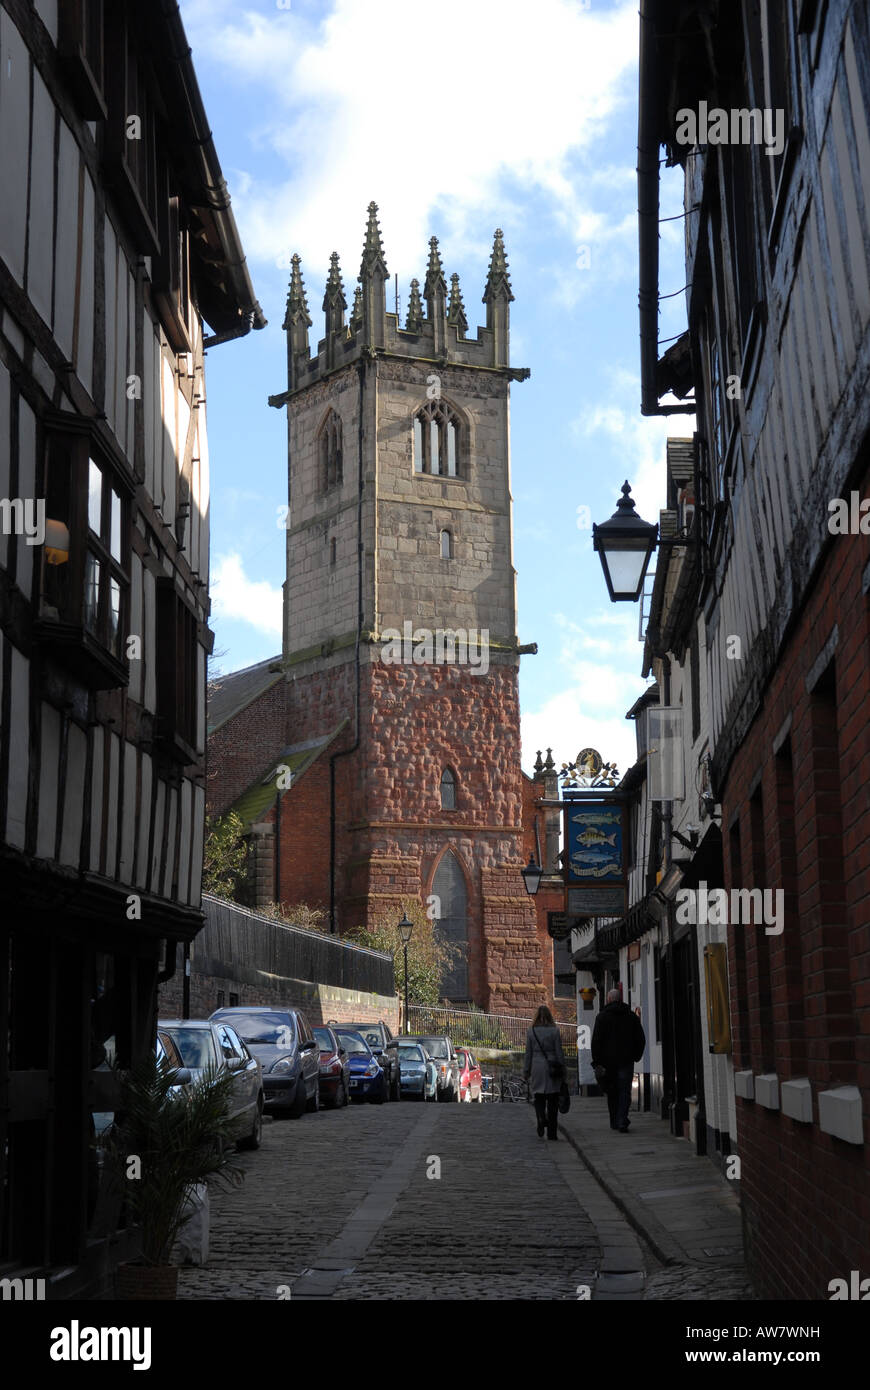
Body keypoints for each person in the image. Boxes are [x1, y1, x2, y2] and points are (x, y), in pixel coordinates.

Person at [591, 988, 645, 1133]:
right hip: (626, 1060)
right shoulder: (631, 1016)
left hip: (608, 1062)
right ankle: (622, 1119)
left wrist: (597, 1061)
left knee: (612, 1091)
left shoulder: (602, 1017)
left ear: (608, 999)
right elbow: (640, 1038)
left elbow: (596, 1041)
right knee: (624, 1091)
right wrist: (636, 1055)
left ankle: (615, 1120)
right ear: (620, 999)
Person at [523, 1005, 566, 1140]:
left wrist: (526, 1070)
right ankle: (552, 1133)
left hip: (537, 1067)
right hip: (552, 1067)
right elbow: (559, 1052)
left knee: (539, 1097)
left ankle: (541, 1117)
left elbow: (528, 1053)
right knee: (553, 1100)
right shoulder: (554, 1031)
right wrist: (563, 1069)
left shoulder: (531, 1031)